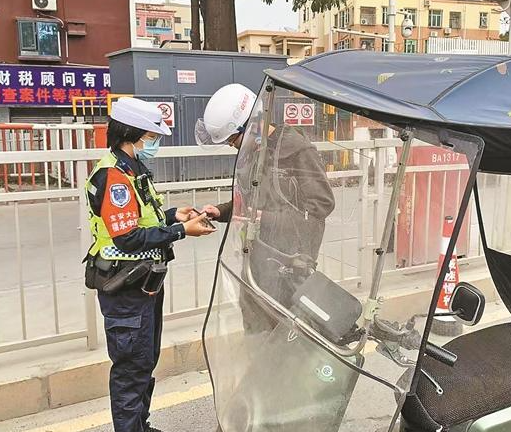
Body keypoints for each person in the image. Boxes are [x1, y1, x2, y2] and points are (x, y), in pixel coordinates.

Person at [84, 97, 215, 432]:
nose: (154, 144)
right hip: (124, 287)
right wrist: (182, 231)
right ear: (131, 135)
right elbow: (127, 238)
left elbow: (141, 220)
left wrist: (173, 216)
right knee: (131, 369)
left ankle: (140, 425)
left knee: (143, 363)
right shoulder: (114, 177)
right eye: (151, 137)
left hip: (142, 285)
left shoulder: (130, 169)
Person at [196, 84, 335, 332]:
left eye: (232, 139)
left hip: (289, 267)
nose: (232, 146)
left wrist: (266, 219)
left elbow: (320, 206)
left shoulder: (296, 150)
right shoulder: (253, 153)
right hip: (255, 263)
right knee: (255, 333)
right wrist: (222, 211)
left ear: (252, 124)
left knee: (284, 339)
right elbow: (251, 203)